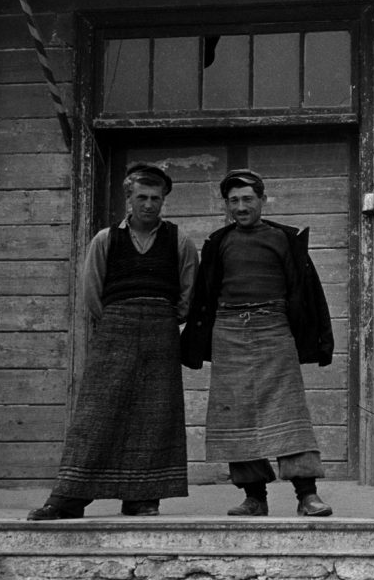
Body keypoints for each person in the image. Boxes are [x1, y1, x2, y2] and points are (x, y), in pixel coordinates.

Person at [28, 164, 198, 520]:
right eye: (142, 197)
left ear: (163, 200)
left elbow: (188, 293)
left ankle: (141, 497)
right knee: (97, 412)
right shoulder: (106, 238)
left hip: (161, 331)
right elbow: (92, 292)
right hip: (115, 328)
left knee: (155, 414)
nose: (149, 205)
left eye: (156, 198)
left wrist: (164, 317)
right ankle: (72, 496)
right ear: (129, 199)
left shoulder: (180, 240)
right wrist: (117, 320)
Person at [181, 169, 334, 518]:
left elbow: (307, 294)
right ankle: (254, 497)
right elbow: (204, 294)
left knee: (289, 412)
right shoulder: (218, 242)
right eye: (233, 201)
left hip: (274, 328)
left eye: (248, 199)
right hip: (229, 332)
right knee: (236, 417)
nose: (241, 206)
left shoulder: (286, 239)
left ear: (263, 201)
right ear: (226, 206)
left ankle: (307, 495)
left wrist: (315, 338)